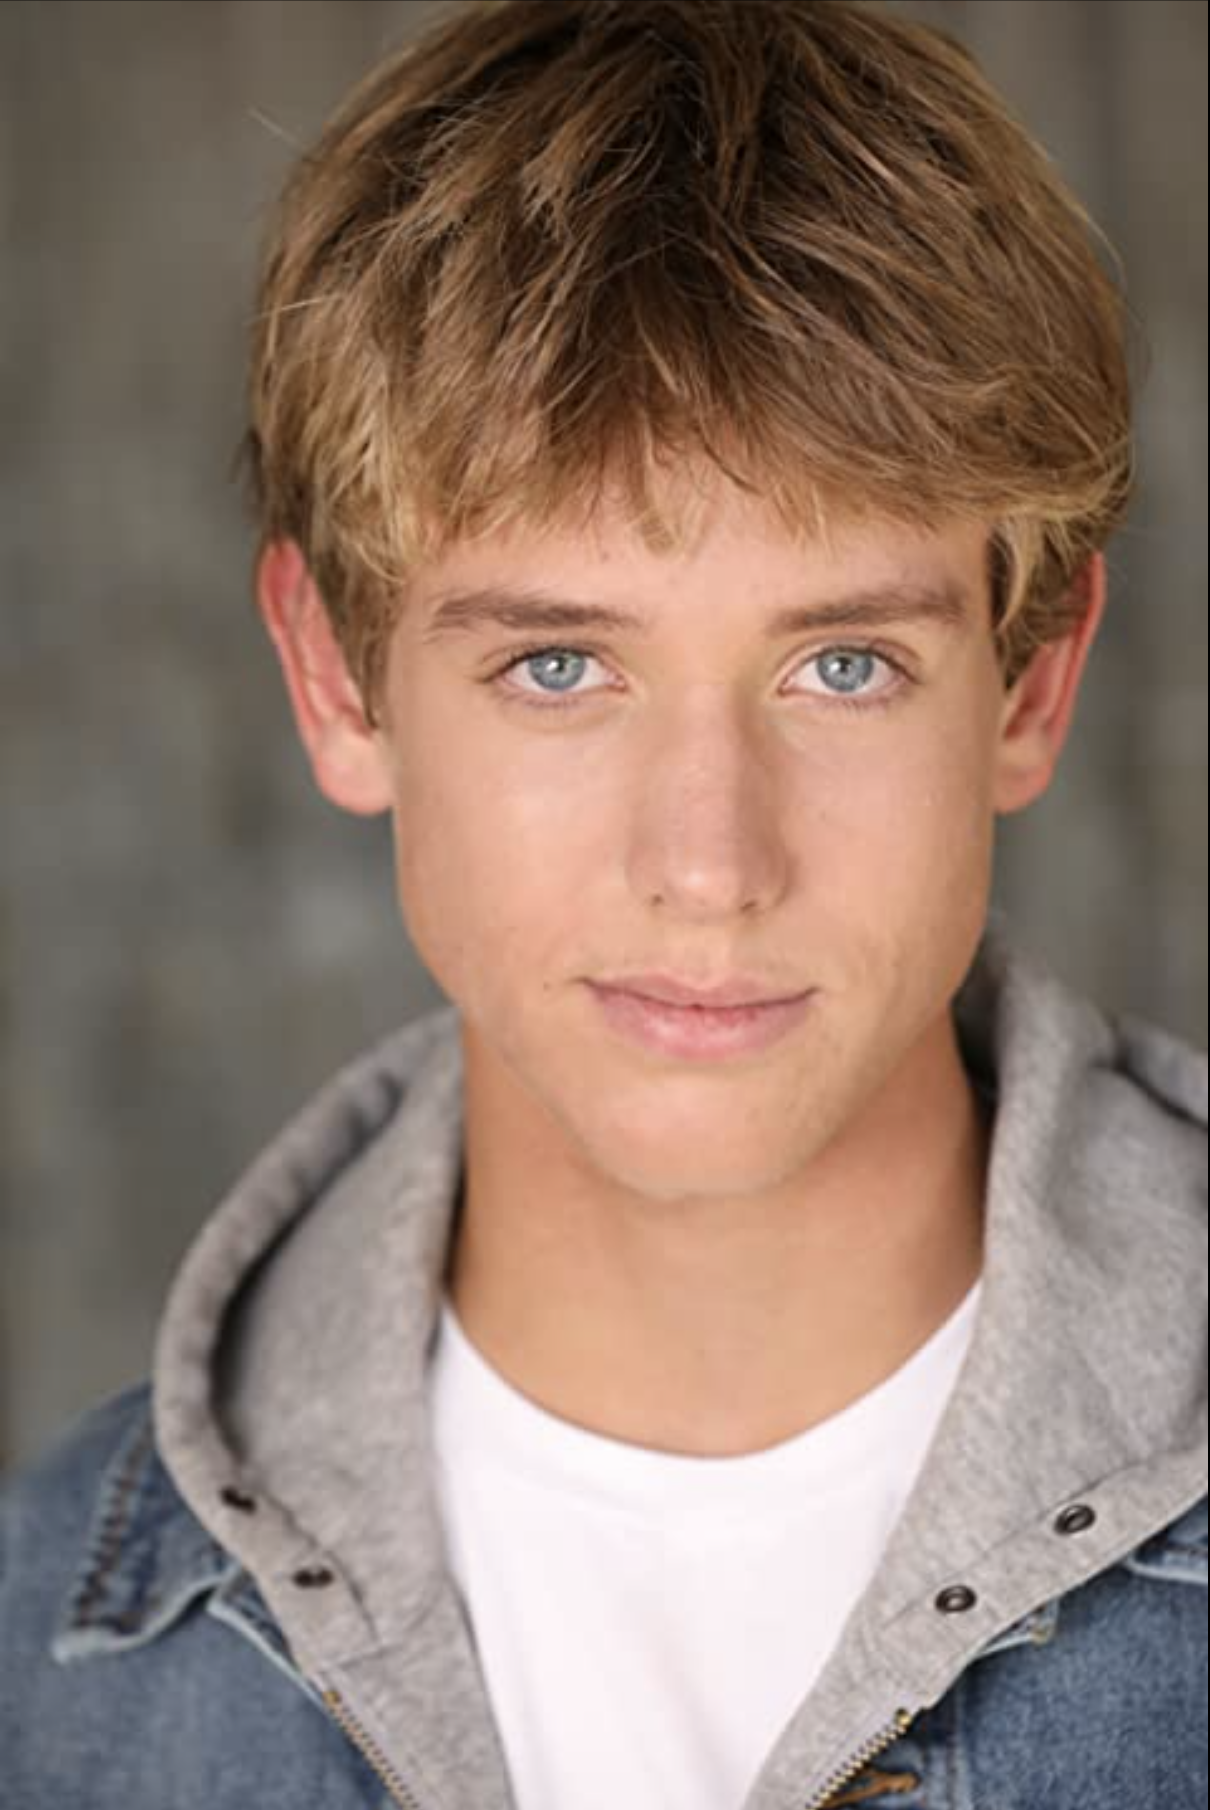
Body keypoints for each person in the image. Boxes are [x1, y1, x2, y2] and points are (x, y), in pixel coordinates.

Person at [2, 1, 1205, 1806]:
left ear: (1030, 687)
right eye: (560, 665)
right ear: (337, 683)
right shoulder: (49, 1660)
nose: (710, 865)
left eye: (846, 666)